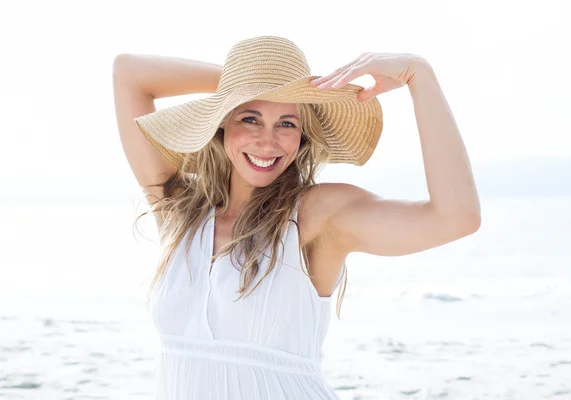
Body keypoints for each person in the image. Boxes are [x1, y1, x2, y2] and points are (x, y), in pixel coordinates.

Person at [112, 36, 480, 399]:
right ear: (222, 120)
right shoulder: (182, 210)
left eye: (287, 123)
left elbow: (456, 218)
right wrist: (242, 83)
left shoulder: (316, 215)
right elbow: (128, 72)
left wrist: (420, 76)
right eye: (250, 117)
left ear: (302, 134)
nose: (268, 141)